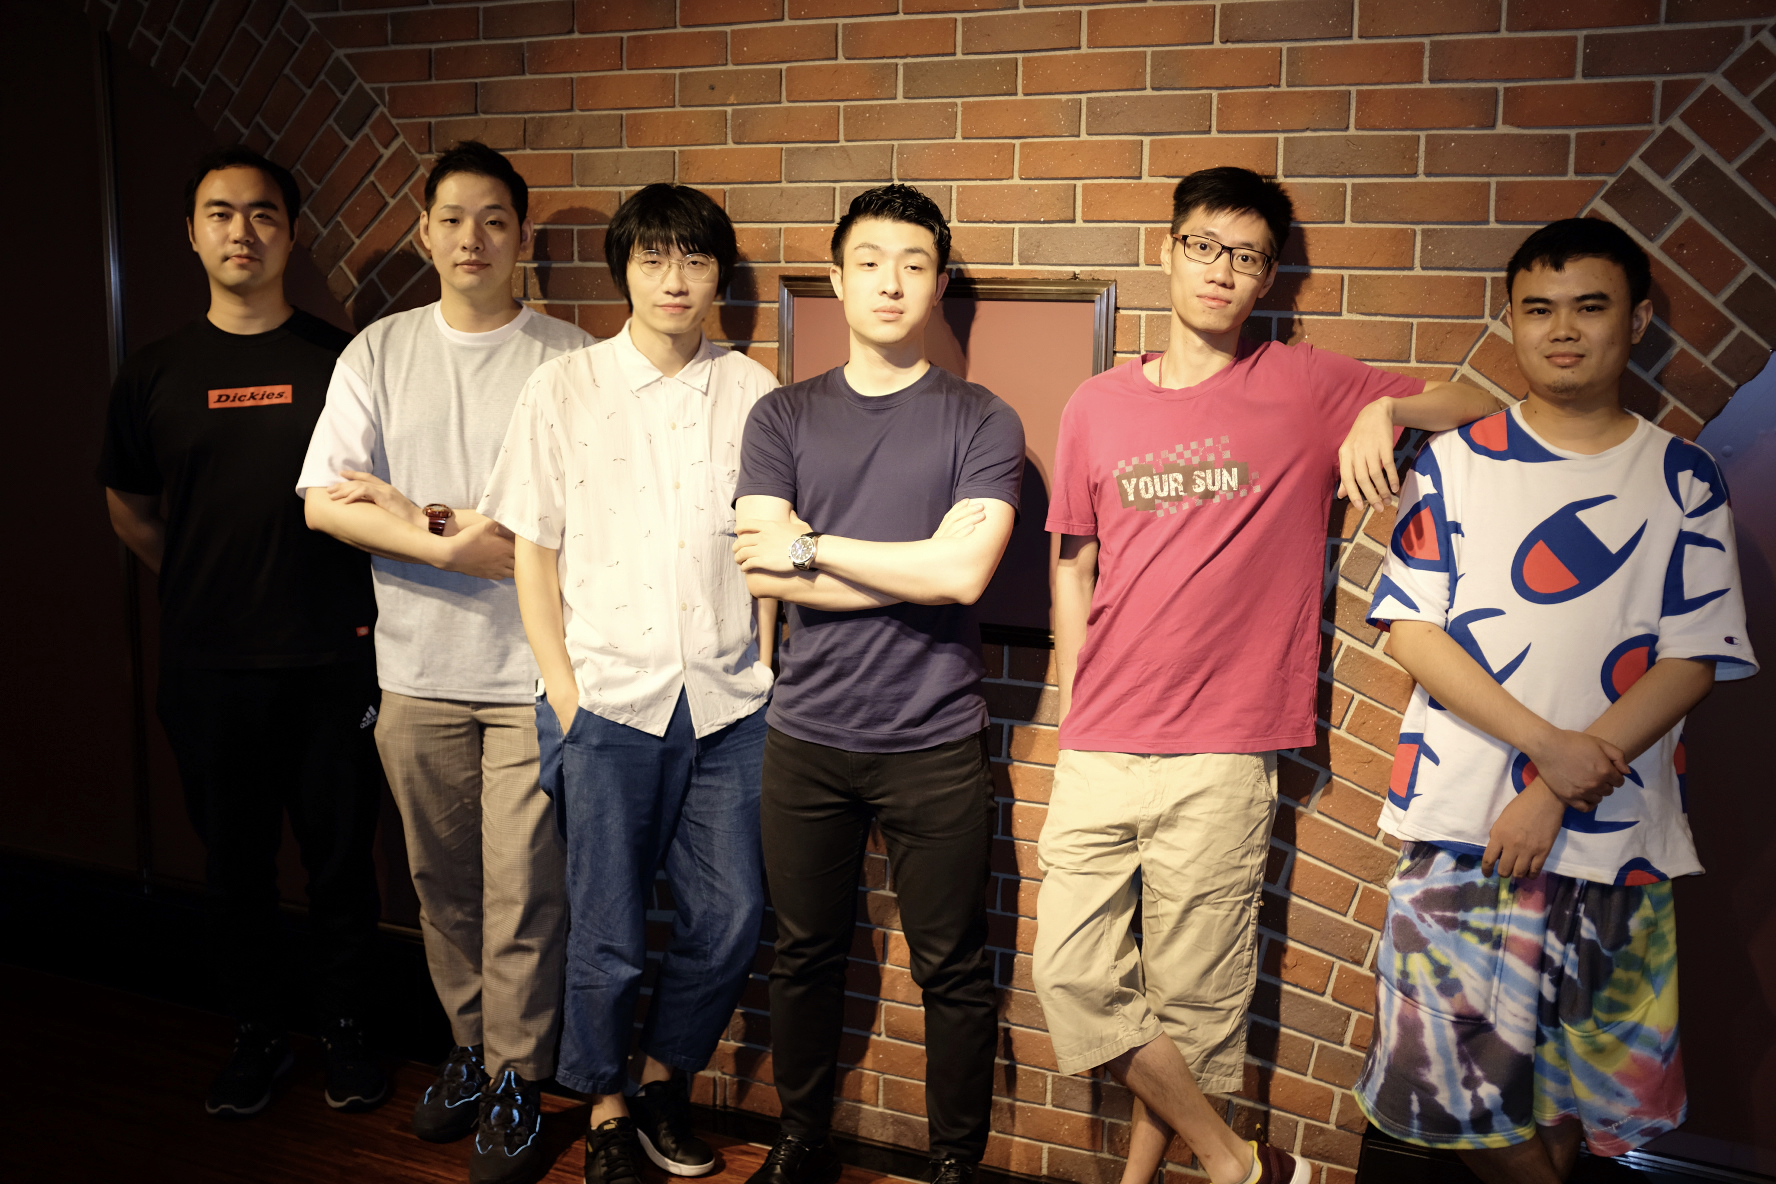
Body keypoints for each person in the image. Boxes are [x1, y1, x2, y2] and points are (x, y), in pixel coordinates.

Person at [1032, 166, 1504, 1184]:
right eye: (1204, 245)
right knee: (1072, 975)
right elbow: (1072, 560)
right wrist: (1075, 693)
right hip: (1103, 740)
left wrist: (1385, 411)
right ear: (1168, 251)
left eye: (1245, 257)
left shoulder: (1305, 383)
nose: (1221, 270)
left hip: (1228, 746)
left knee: (1195, 1003)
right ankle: (1238, 1163)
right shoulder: (1096, 404)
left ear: (1266, 277)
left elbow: (1481, 404)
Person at [1354, 217, 1757, 1182]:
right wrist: (1547, 750)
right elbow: (1412, 630)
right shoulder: (1455, 463)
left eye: (1590, 306)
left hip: (1619, 837)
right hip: (1466, 828)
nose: (1562, 329)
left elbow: (1695, 656)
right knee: (1452, 1085)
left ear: (1637, 320)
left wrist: (1557, 786)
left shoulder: (1684, 477)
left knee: (1570, 1091)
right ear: (1512, 321)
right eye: (1538, 309)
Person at [298, 141, 592, 1184]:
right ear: (426, 233)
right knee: (442, 886)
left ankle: (517, 1079)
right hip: (415, 672)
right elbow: (324, 502)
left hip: (531, 674)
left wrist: (408, 511)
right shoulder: (378, 352)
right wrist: (446, 541)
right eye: (454, 219)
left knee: (525, 893)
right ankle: (470, 1049)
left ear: (522, 236)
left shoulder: (568, 358)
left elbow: (575, 519)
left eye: (495, 220)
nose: (474, 238)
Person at [480, 183, 780, 1184]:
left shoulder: (754, 390)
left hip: (730, 703)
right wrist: (566, 696)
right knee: (607, 932)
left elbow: (766, 542)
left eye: (694, 259)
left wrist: (765, 659)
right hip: (607, 699)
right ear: (626, 271)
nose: (674, 279)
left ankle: (660, 1081)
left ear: (718, 275)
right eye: (653, 258)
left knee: (731, 916)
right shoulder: (563, 388)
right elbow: (532, 554)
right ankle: (605, 1107)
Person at [730, 184, 1024, 1184]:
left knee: (952, 965)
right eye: (868, 261)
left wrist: (812, 546)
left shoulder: (983, 419)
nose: (890, 281)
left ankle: (955, 1161)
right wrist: (905, 564)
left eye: (912, 263)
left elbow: (963, 576)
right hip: (807, 736)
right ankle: (802, 1135)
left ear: (938, 286)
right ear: (838, 279)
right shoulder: (783, 414)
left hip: (935, 739)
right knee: (805, 952)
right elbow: (760, 570)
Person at [99, 146, 387, 1119]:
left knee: (342, 866)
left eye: (263, 214)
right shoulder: (154, 372)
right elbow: (129, 506)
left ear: (291, 234)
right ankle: (257, 1034)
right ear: (191, 233)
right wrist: (203, 582)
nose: (241, 231)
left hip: (332, 660)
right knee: (235, 868)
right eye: (220, 213)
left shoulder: (342, 363)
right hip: (209, 668)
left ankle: (348, 1032)